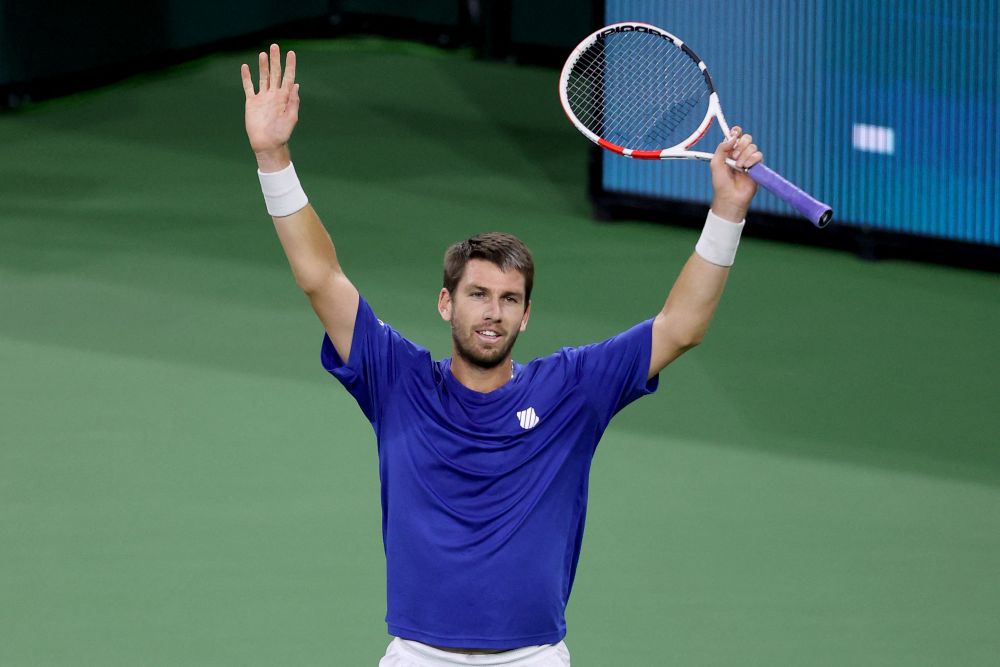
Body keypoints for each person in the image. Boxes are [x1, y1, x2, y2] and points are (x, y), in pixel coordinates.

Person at [241, 44, 763, 667]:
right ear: (446, 303)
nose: (493, 312)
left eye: (509, 299)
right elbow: (320, 278)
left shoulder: (572, 389)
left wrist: (727, 211)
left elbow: (681, 327)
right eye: (478, 295)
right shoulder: (397, 379)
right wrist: (272, 157)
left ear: (526, 314)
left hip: (531, 658)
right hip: (418, 657)